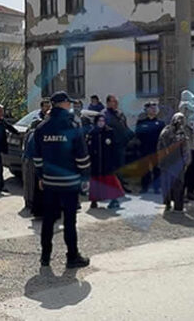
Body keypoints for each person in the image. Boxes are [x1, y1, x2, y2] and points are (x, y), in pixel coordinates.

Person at [34, 91, 91, 269]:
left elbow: (37, 157)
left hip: (50, 182)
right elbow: (81, 155)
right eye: (69, 103)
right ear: (64, 104)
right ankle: (72, 257)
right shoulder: (72, 125)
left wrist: (40, 176)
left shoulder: (42, 127)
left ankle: (45, 257)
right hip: (69, 182)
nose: (70, 106)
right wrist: (85, 176)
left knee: (49, 220)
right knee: (69, 221)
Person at [87, 115, 125, 209]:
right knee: (95, 181)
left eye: (103, 120)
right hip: (95, 162)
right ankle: (94, 200)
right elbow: (88, 147)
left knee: (109, 180)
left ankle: (114, 199)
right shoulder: (92, 133)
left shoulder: (109, 132)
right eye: (99, 120)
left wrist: (115, 160)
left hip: (107, 161)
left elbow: (114, 147)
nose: (101, 122)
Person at [157, 113, 192, 212]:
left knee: (178, 185)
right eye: (179, 120)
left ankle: (178, 206)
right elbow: (161, 147)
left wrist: (186, 161)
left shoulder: (181, 133)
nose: (180, 122)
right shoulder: (166, 132)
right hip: (169, 162)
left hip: (178, 162)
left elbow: (185, 149)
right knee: (169, 184)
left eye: (182, 120)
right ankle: (168, 204)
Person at [103, 95, 133, 193]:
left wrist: (130, 136)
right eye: (113, 101)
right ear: (108, 103)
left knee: (121, 166)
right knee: (110, 167)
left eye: (116, 102)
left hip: (121, 145)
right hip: (110, 146)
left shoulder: (120, 114)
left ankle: (121, 185)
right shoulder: (104, 114)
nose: (115, 103)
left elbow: (125, 127)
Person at [135, 102, 165, 194]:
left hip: (156, 149)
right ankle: (144, 187)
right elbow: (138, 134)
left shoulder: (160, 123)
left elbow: (163, 136)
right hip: (144, 149)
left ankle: (157, 187)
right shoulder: (142, 122)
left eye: (154, 108)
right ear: (147, 110)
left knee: (157, 169)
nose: (153, 110)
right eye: (151, 108)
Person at [179, 90, 194, 202]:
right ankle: (180, 193)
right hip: (183, 147)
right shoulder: (181, 114)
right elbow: (181, 123)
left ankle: (191, 192)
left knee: (192, 171)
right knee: (183, 171)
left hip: (193, 146)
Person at [0, 104, 20, 194]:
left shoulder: (2, 121)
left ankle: (1, 186)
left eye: (2, 111)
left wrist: (19, 133)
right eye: (0, 111)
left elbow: (10, 128)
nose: (2, 113)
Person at [21, 117, 44, 217]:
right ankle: (31, 201)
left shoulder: (29, 134)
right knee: (34, 182)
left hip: (26, 159)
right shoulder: (37, 134)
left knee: (27, 181)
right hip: (34, 160)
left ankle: (28, 200)